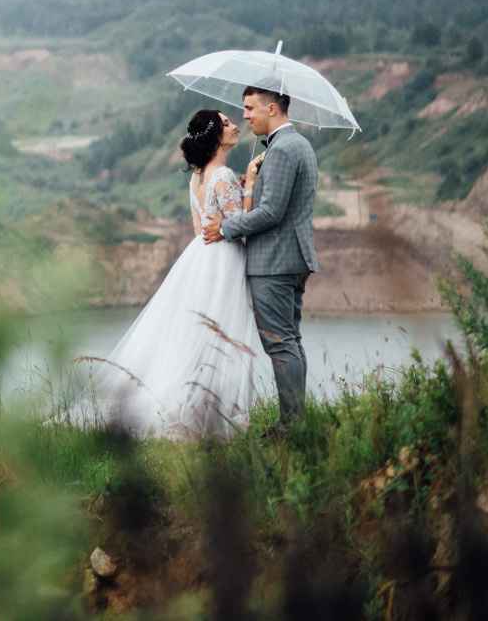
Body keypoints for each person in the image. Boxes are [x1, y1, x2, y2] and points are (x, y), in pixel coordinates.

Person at [78, 108, 260, 439]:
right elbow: (241, 225)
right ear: (215, 136)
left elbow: (199, 228)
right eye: (226, 123)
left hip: (200, 257)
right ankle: (208, 414)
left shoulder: (199, 176)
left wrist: (238, 188)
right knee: (218, 335)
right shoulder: (223, 175)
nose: (235, 125)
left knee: (197, 336)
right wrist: (250, 182)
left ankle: (197, 411)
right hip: (223, 260)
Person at [200, 85, 318, 431]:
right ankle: (296, 422)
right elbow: (279, 200)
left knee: (280, 344)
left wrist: (225, 227)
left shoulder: (281, 150)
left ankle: (290, 427)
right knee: (290, 340)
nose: (245, 115)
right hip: (291, 256)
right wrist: (254, 181)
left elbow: (270, 213)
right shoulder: (297, 144)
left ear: (272, 108)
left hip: (274, 260)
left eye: (250, 108)